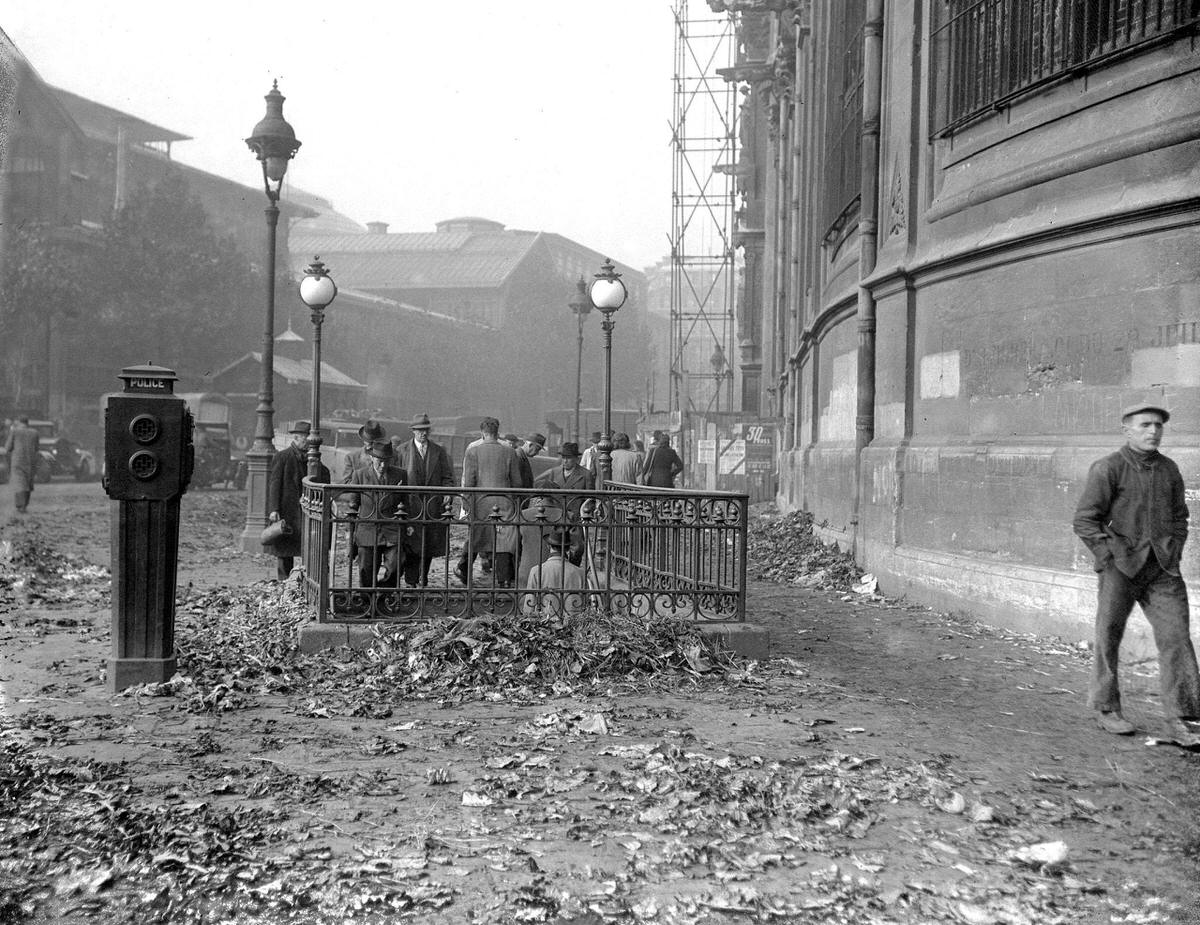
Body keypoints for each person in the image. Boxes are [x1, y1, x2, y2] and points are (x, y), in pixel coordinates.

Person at [1072, 402, 1199, 743]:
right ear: (1127, 430)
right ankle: (1106, 707)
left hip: (1162, 569)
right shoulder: (1108, 468)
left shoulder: (1169, 469)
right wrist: (1106, 556)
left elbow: (1179, 517)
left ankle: (1183, 718)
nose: (1152, 431)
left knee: (1176, 638)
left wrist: (1174, 550)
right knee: (1108, 635)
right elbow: (1085, 520)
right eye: (1145, 425)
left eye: (1158, 425)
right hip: (1120, 567)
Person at [457, 418, 523, 586]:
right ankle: (503, 579)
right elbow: (517, 483)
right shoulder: (509, 452)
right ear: (497, 433)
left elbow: (469, 483)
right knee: (503, 541)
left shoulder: (473, 452)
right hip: (504, 503)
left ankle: (464, 570)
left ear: (483, 433)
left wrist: (467, 505)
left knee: (477, 537)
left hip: (481, 504)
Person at [394, 412, 455, 587]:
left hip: (432, 505)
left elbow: (447, 477)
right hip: (410, 505)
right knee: (411, 542)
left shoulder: (438, 451)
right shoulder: (402, 451)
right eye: (419, 430)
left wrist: (448, 492)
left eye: (426, 430)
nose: (423, 433)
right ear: (413, 431)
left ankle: (424, 577)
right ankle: (411, 579)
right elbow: (396, 477)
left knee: (429, 542)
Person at [343, 440, 409, 588]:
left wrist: (407, 524)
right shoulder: (359, 475)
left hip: (392, 529)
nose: (383, 465)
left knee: (396, 566)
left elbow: (405, 503)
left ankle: (384, 595)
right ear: (372, 458)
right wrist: (351, 531)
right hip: (368, 529)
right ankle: (366, 600)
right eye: (379, 461)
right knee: (366, 570)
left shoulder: (400, 475)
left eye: (386, 461)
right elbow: (353, 506)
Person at [265, 421, 326, 581]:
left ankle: (306, 581)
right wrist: (274, 509)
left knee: (308, 546)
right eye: (306, 439)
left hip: (305, 510)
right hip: (287, 510)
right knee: (285, 549)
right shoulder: (282, 456)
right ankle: (284, 581)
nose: (308, 443)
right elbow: (274, 484)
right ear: (297, 438)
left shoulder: (313, 459)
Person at [534, 441, 595, 566]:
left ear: (576, 459)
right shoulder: (553, 472)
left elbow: (590, 499)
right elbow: (537, 484)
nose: (565, 461)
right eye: (563, 458)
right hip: (555, 518)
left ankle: (573, 567)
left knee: (577, 548)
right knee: (556, 547)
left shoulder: (585, 475)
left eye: (569, 458)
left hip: (575, 518)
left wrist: (586, 513)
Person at [521, 527, 587, 618]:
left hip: (545, 626)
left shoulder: (536, 571)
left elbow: (529, 607)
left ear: (549, 546)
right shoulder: (580, 573)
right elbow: (586, 607)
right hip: (573, 625)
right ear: (568, 549)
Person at [5, 416, 40, 514]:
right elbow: (37, 448)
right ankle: (25, 505)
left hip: (18, 461)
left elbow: (8, 447)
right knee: (28, 483)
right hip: (31, 461)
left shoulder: (15, 431)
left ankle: (20, 506)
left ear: (19, 422)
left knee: (19, 483)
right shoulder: (35, 432)